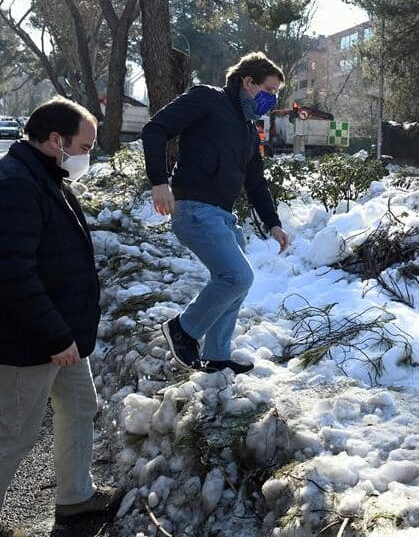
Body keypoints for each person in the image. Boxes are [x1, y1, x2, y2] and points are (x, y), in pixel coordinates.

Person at [0, 97, 122, 536]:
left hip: (60, 332)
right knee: (12, 434)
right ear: (56, 140)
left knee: (79, 405)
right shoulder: (15, 184)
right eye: (85, 147)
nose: (88, 155)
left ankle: (74, 497)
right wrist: (54, 335)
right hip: (29, 340)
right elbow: (12, 271)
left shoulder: (44, 175)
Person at [142, 51, 290, 375]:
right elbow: (155, 129)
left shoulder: (249, 129)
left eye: (276, 94)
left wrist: (273, 223)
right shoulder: (207, 99)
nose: (273, 99)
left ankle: (216, 357)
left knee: (237, 283)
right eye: (269, 91)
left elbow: (255, 182)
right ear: (248, 82)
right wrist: (158, 182)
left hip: (222, 215)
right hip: (194, 209)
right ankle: (184, 329)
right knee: (237, 276)